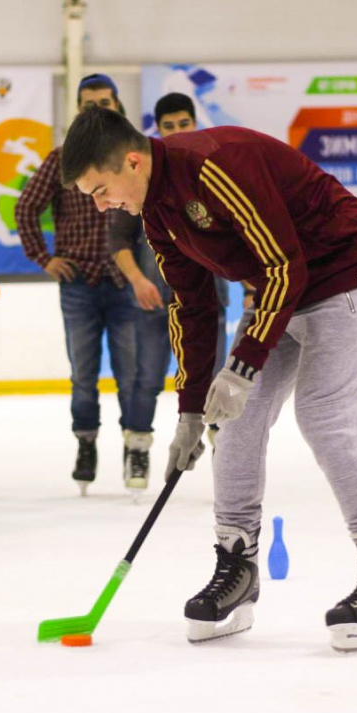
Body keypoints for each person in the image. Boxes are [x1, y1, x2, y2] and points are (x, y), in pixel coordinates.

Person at [61, 106, 357, 651]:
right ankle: (238, 567)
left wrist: (245, 363)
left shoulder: (212, 166)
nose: (101, 204)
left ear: (131, 161)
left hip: (347, 273)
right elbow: (193, 305)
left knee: (323, 415)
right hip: (287, 295)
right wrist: (189, 409)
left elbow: (284, 266)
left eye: (99, 189)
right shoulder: (156, 213)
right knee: (230, 421)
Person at [15, 74, 138, 496]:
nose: (98, 109)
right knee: (84, 374)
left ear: (118, 106)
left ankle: (133, 447)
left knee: (131, 373)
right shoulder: (61, 159)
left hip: (127, 283)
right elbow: (25, 207)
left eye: (105, 102)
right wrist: (44, 258)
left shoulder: (135, 157)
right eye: (88, 105)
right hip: (79, 285)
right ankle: (86, 444)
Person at [105, 92, 230, 491]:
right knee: (145, 379)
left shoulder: (214, 171)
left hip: (209, 301)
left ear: (195, 123)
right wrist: (140, 281)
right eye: (169, 126)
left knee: (214, 380)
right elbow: (119, 241)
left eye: (184, 124)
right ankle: (138, 447)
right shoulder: (141, 180)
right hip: (153, 300)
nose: (178, 132)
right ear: (157, 131)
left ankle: (225, 453)